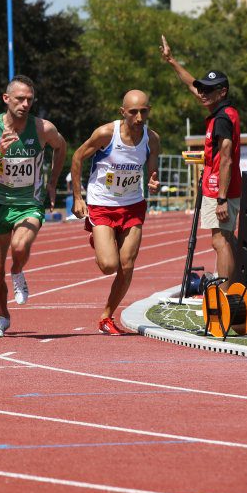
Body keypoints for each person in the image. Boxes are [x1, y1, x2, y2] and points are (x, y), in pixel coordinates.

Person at [0, 75, 66, 338]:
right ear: (6, 99)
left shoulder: (42, 128)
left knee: (19, 247)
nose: (25, 104)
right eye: (20, 99)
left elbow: (60, 147)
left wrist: (52, 183)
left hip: (29, 202)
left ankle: (17, 271)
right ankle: (3, 316)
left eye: (29, 99)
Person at [70, 90, 162, 335]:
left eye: (144, 111)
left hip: (133, 205)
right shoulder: (106, 134)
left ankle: (106, 316)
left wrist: (153, 181)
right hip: (102, 205)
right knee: (109, 265)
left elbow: (152, 171)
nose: (139, 117)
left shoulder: (152, 139)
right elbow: (77, 156)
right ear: (123, 112)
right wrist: (77, 198)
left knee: (127, 266)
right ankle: (99, 240)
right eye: (133, 112)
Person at [160, 35, 241, 292]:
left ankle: (226, 298)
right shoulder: (223, 111)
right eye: (202, 89)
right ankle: (238, 288)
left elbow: (226, 159)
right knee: (227, 240)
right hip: (221, 187)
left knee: (220, 242)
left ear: (223, 91)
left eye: (209, 89)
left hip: (220, 190)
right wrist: (172, 61)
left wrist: (221, 199)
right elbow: (192, 86)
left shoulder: (222, 119)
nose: (202, 93)